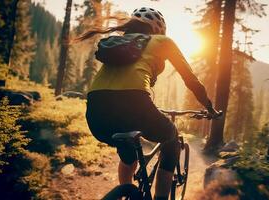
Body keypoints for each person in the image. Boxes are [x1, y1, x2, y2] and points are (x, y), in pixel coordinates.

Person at [80, 7, 220, 200]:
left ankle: (126, 194)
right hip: (134, 102)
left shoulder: (120, 43)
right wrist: (209, 106)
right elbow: (191, 80)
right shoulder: (163, 41)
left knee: (128, 153)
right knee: (171, 138)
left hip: (96, 111)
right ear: (158, 29)